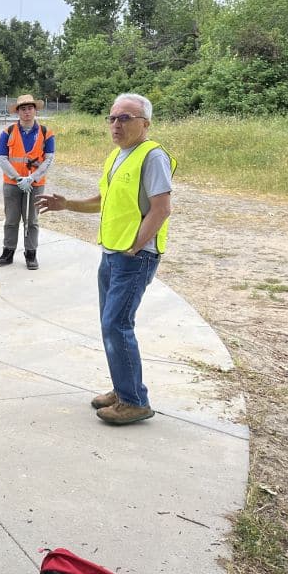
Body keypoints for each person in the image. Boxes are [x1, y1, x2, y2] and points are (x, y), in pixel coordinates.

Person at [36, 93, 175, 426]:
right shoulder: (116, 156)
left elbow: (161, 208)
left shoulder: (152, 156)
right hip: (111, 252)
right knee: (110, 324)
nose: (116, 124)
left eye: (125, 118)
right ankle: (122, 388)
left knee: (117, 324)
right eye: (112, 118)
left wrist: (135, 246)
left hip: (134, 256)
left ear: (145, 123)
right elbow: (104, 200)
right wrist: (66, 204)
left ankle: (135, 401)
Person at [0, 93, 55, 270]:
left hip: (35, 184)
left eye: (30, 108)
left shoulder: (46, 132)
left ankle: (31, 253)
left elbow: (48, 159)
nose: (27, 112)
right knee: (11, 219)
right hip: (12, 184)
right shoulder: (8, 132)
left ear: (35, 110)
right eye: (23, 109)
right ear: (17, 112)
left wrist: (32, 178)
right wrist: (18, 177)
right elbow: (2, 158)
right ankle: (8, 252)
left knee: (32, 220)